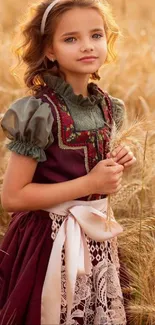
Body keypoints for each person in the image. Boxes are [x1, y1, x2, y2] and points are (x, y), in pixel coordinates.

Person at [0, 0, 136, 324]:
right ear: (49, 50)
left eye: (96, 35)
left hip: (99, 239)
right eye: (70, 39)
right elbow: (12, 197)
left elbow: (100, 177)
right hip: (47, 244)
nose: (87, 46)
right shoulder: (38, 111)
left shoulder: (109, 107)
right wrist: (89, 184)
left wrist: (121, 161)